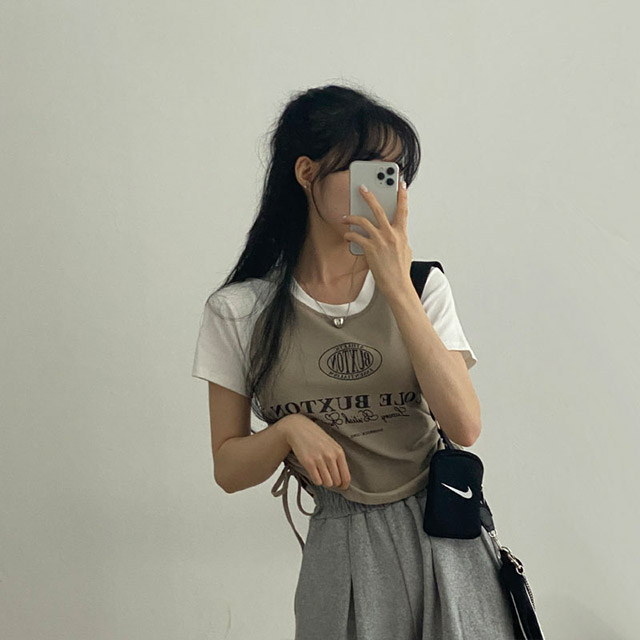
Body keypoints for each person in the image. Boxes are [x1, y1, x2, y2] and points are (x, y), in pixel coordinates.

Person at [192, 83, 517, 639]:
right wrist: (287, 432)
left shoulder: (422, 286)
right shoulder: (241, 311)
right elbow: (228, 469)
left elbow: (464, 425)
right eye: (367, 169)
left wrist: (395, 285)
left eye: (394, 173)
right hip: (338, 546)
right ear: (306, 173)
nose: (384, 187)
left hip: (445, 537)